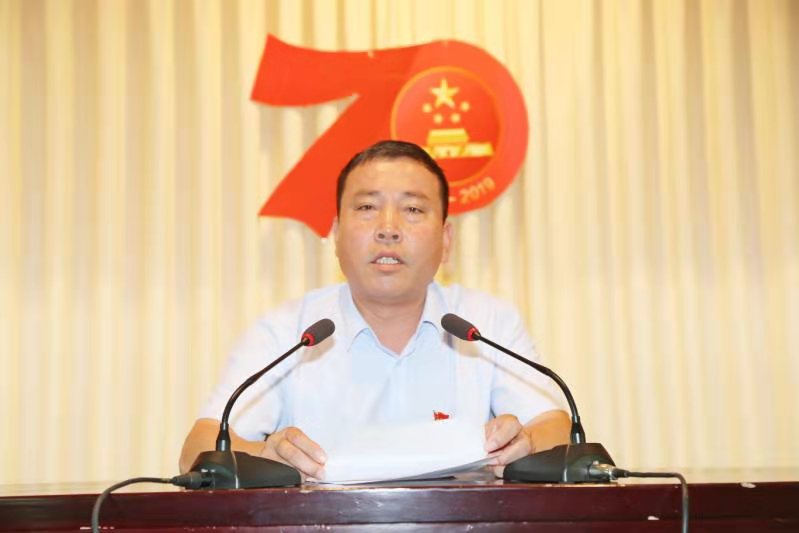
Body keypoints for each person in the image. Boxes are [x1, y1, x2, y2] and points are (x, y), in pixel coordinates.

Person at [179, 140, 570, 479]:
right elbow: (197, 449)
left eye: (412, 209)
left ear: (446, 239)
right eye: (367, 207)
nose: (388, 228)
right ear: (336, 234)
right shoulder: (287, 331)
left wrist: (527, 443)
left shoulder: (486, 323)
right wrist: (266, 455)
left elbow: (557, 427)